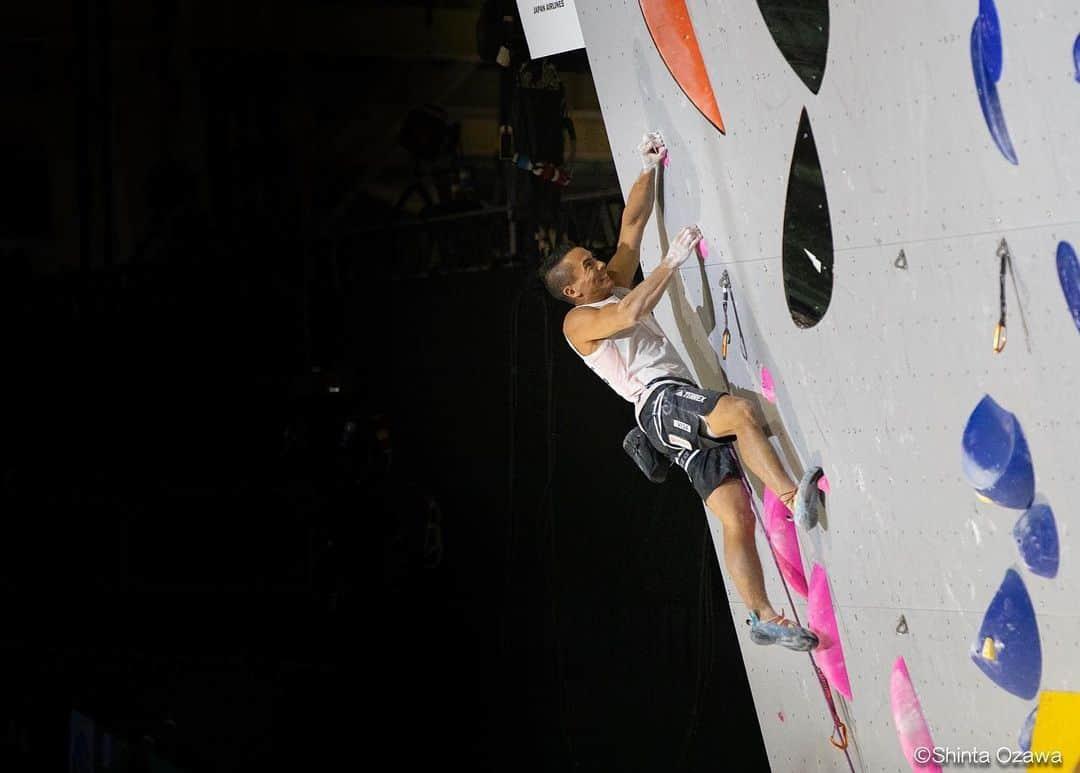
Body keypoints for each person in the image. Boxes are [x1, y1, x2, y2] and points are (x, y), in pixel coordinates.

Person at [538, 132, 820, 651]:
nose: (600, 265)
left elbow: (630, 225)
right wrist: (671, 262)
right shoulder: (579, 322)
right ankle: (789, 493)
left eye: (592, 258)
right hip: (658, 403)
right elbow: (629, 314)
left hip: (668, 414)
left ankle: (763, 617)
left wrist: (648, 167)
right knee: (736, 411)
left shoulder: (614, 278)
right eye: (587, 268)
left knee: (736, 515)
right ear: (572, 291)